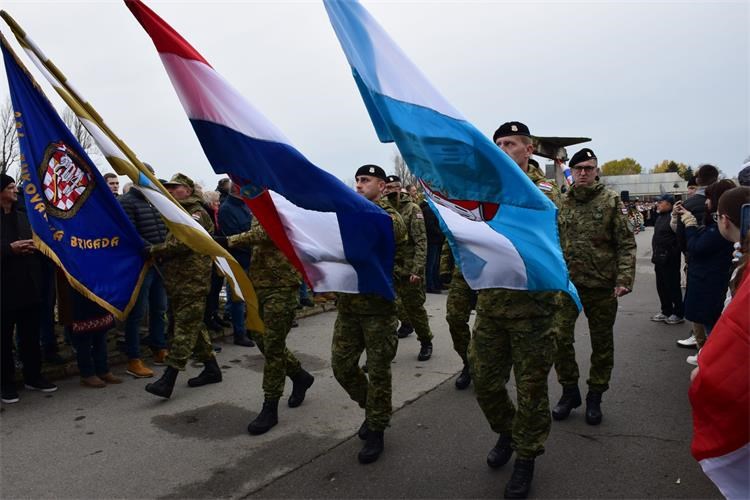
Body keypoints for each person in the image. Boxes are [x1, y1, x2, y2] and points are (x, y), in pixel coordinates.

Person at [466, 121, 562, 498]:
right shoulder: (482, 191)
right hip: (492, 305)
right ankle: (508, 431)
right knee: (485, 382)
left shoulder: (545, 191)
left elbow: (551, 235)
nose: (503, 149)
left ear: (529, 149)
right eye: (498, 144)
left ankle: (526, 456)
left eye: (510, 143)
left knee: (531, 390)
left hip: (534, 311)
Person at [552, 148, 636, 427]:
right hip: (568, 286)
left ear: (596, 171)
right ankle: (569, 391)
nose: (583, 173)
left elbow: (626, 243)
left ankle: (595, 395)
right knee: (559, 337)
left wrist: (624, 279)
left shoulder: (611, 201)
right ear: (573, 172)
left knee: (602, 343)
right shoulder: (562, 202)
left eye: (589, 168)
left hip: (602, 286)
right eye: (579, 169)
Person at [332, 164, 406, 465]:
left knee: (378, 371)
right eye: (357, 180)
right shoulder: (346, 214)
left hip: (378, 309)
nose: (359, 185)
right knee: (341, 366)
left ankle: (376, 428)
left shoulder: (389, 216)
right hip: (349, 307)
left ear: (381, 186)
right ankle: (374, 409)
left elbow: (392, 232)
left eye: (366, 180)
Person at [224, 218, 315, 435]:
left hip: (283, 285)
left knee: (273, 347)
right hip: (260, 283)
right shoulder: (258, 207)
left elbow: (267, 232)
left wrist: (228, 240)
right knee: (260, 337)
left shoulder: (282, 204)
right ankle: (300, 376)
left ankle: (270, 407)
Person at [145, 173, 222, 399]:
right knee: (193, 326)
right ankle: (212, 369)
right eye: (168, 187)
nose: (170, 190)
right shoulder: (177, 212)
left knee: (184, 330)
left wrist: (153, 250)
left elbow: (184, 242)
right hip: (179, 280)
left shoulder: (196, 213)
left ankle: (168, 379)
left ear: (187, 190)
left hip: (193, 282)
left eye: (175, 187)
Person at [1, 174, 58, 403]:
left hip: (29, 286)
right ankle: (6, 384)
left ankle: (33, 376)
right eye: (10, 187)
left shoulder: (25, 217)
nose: (16, 190)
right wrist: (9, 249)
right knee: (4, 341)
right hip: (4, 291)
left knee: (30, 337)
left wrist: (35, 247)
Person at [677, 179, 736, 365]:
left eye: (709, 198)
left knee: (711, 325)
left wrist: (689, 224)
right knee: (709, 322)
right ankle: (707, 354)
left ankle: (710, 359)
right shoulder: (715, 224)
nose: (705, 202)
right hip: (709, 279)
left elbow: (696, 247)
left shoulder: (719, 229)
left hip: (710, 281)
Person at [119, 166, 169, 378]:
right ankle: (134, 358)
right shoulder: (126, 202)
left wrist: (165, 247)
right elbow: (130, 234)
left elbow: (164, 228)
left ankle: (159, 348)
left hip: (160, 262)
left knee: (159, 308)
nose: (152, 180)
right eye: (148, 176)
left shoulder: (155, 200)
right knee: (137, 313)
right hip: (141, 265)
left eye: (153, 176)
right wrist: (154, 249)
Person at [384, 175, 433, 360]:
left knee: (415, 309)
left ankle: (426, 341)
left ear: (399, 189)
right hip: (390, 268)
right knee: (390, 308)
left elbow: (421, 241)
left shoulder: (412, 209)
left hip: (409, 268)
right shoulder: (382, 209)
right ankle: (382, 354)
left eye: (393, 187)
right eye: (387, 188)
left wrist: (417, 269)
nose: (389, 191)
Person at [674, 165, 718, 350]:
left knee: (700, 303)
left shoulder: (691, 204)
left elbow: (684, 239)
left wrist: (688, 225)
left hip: (700, 259)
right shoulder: (723, 199)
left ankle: (705, 348)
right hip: (722, 261)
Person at [57, 278, 122, 388]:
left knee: (101, 330)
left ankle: (102, 369)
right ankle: (87, 373)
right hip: (78, 283)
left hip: (98, 282)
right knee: (84, 333)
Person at [217, 182, 255, 347]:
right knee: (237, 298)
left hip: (250, 257)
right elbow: (232, 236)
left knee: (248, 297)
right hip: (237, 258)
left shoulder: (245, 205)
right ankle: (240, 333)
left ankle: (250, 328)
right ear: (237, 189)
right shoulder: (226, 209)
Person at [439, 239, 475, 390]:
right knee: (454, 318)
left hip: (492, 276)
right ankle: (469, 363)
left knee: (491, 327)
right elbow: (450, 239)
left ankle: (493, 370)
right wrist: (444, 268)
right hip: (462, 274)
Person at [650, 194, 684, 324]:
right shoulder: (660, 216)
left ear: (669, 204)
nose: (657, 204)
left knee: (672, 285)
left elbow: (678, 235)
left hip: (670, 258)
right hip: (658, 257)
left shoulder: (674, 217)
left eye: (660, 202)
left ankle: (678, 313)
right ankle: (666, 311)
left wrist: (672, 250)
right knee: (661, 286)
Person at [421, 197, 445, 294]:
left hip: (436, 240)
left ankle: (436, 283)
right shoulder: (428, 209)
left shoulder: (431, 208)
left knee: (435, 264)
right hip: (432, 240)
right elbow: (430, 226)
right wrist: (441, 233)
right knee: (431, 264)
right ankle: (430, 285)